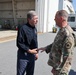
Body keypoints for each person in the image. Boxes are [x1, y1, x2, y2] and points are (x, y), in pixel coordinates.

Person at [38, 10, 76, 75]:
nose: (54, 19)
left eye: (55, 17)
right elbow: (57, 44)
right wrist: (46, 48)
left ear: (61, 19)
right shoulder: (62, 30)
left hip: (61, 71)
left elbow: (66, 57)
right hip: (57, 67)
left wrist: (59, 70)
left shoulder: (68, 34)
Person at [16, 10, 38, 75]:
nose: (37, 20)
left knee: (30, 73)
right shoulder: (23, 28)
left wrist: (36, 53)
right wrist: (29, 51)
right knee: (20, 73)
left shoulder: (34, 29)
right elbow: (19, 43)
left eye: (37, 18)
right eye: (35, 19)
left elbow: (35, 41)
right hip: (23, 55)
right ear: (29, 19)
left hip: (32, 55)